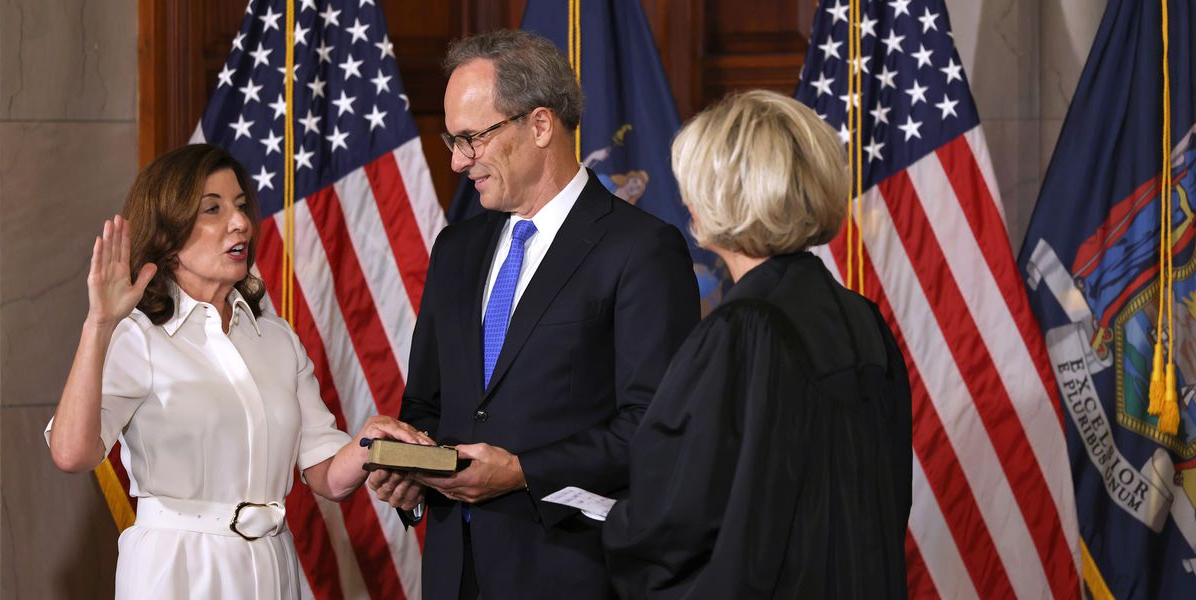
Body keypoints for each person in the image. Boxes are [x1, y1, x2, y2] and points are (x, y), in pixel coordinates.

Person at [366, 29, 700, 600]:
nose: (456, 160)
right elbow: (427, 401)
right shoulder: (457, 249)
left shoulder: (641, 248)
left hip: (570, 573)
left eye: (471, 138)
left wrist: (522, 470)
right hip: (454, 574)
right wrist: (407, 461)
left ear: (540, 125)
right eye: (452, 139)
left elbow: (654, 427)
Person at [45, 144, 431, 599]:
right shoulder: (136, 336)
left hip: (271, 565)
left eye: (242, 206)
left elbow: (325, 472)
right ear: (169, 232)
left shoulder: (276, 337)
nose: (240, 223)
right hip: (177, 569)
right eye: (213, 208)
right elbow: (71, 454)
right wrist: (99, 325)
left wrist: (372, 442)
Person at [602, 90, 914, 599]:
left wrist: (608, 526)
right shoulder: (861, 318)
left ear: (728, 194)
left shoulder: (745, 329)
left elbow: (678, 517)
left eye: (695, 184)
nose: (685, 200)